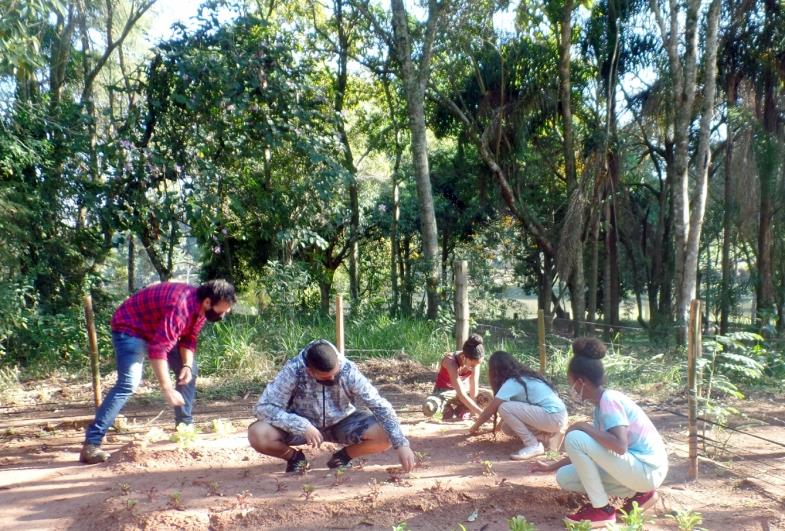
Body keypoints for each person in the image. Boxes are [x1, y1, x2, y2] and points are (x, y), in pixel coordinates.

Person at [79, 279, 236, 464]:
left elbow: (188, 338)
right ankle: (91, 444)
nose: (223, 315)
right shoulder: (181, 308)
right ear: (208, 302)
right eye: (222, 310)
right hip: (130, 328)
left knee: (190, 369)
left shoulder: (201, 309)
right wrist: (167, 388)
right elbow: (158, 348)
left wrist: (186, 365)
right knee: (128, 383)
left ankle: (184, 429)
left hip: (157, 329)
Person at [531, 337, 668, 528]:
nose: (571, 388)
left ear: (581, 382)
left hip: (647, 470)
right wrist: (551, 466)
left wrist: (583, 426)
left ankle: (601, 510)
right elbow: (592, 452)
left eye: (571, 383)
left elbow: (619, 446)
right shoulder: (601, 405)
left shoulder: (609, 400)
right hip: (640, 470)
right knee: (565, 476)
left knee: (576, 436)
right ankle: (640, 495)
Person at [248, 339, 416, 474]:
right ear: (309, 371)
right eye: (327, 377)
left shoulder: (348, 370)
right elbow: (263, 407)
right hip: (301, 428)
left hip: (343, 421)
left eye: (336, 374)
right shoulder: (294, 370)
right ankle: (294, 458)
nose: (334, 378)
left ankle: (343, 457)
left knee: (386, 434)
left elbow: (379, 405)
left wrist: (401, 444)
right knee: (258, 433)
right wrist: (301, 424)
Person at [469, 350, 567, 460]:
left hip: (552, 416)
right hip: (558, 416)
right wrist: (497, 428)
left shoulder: (512, 382)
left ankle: (533, 445)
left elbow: (490, 410)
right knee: (507, 427)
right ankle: (549, 436)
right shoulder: (525, 377)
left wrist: (474, 427)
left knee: (504, 407)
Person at [422, 333, 487, 420]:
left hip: (463, 391)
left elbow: (473, 387)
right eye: (472, 365)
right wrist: (481, 413)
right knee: (428, 407)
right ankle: (446, 409)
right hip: (443, 392)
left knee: (486, 397)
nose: (474, 368)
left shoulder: (475, 361)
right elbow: (461, 394)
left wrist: (474, 412)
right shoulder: (450, 362)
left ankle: (460, 410)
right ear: (464, 357)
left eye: (477, 365)